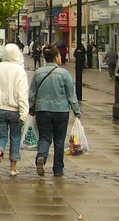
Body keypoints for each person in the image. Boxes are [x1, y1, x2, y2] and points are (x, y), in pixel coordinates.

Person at [29, 44, 81, 177]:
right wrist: (76, 111)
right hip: (61, 110)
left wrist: (32, 108)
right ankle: (58, 168)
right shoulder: (64, 73)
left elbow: (32, 94)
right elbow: (71, 95)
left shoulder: (38, 73)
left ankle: (41, 155)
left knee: (45, 137)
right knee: (59, 140)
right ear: (57, 57)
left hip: (42, 109)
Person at [0, 42, 30, 176]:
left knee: (1, 137)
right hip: (14, 110)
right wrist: (24, 112)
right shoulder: (19, 70)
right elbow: (22, 93)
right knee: (15, 137)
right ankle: (13, 168)